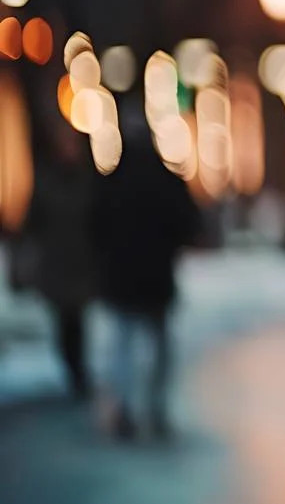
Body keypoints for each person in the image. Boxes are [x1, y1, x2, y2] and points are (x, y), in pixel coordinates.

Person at [90, 108, 201, 440]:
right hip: (155, 279)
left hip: (121, 278)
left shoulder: (110, 184)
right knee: (159, 346)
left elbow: (92, 228)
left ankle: (124, 407)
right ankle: (156, 407)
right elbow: (189, 224)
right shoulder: (167, 181)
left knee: (122, 346)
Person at [19, 115, 98, 400]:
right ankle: (72, 368)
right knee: (64, 320)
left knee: (77, 319)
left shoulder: (86, 180)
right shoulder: (47, 181)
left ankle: (78, 371)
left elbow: (96, 220)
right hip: (56, 262)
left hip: (80, 261)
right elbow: (33, 220)